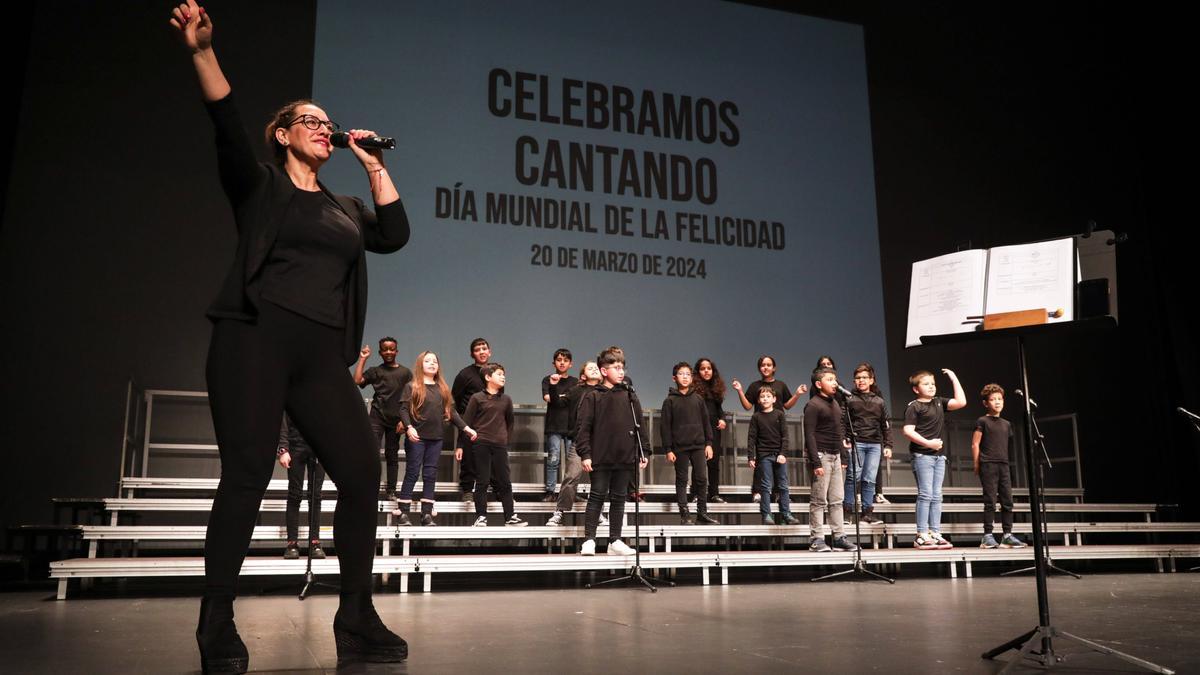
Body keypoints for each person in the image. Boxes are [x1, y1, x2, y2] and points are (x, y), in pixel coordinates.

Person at [171, 3, 410, 669]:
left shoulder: (344, 208)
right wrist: (200, 51)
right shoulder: (261, 187)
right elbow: (224, 122)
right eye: (310, 120)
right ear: (280, 135)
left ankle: (356, 615)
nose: (323, 128)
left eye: (328, 124)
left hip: (319, 354)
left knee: (362, 475)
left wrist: (370, 164)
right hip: (255, 338)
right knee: (247, 474)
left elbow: (393, 234)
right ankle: (216, 619)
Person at [576, 347, 647, 556]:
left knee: (619, 498)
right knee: (597, 495)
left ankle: (614, 540)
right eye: (616, 367)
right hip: (600, 455)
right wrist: (585, 453)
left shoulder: (629, 395)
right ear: (604, 371)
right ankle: (589, 539)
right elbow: (583, 427)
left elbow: (639, 423)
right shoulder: (593, 396)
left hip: (624, 455)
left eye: (622, 367)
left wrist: (645, 450)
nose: (621, 371)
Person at [397, 352, 476, 526]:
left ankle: (426, 514)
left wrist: (466, 428)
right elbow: (403, 409)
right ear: (420, 365)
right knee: (412, 471)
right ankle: (402, 512)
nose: (432, 364)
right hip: (417, 437)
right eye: (427, 361)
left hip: (436, 438)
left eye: (435, 361)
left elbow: (452, 412)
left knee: (430, 474)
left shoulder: (443, 389)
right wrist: (409, 427)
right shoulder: (412, 386)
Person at [902, 368, 966, 549]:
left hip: (938, 457)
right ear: (916, 389)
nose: (931, 387)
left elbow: (961, 402)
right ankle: (921, 534)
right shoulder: (914, 406)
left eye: (933, 383)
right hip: (922, 455)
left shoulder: (939, 402)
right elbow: (907, 431)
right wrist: (928, 444)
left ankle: (935, 532)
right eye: (926, 384)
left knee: (937, 495)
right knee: (926, 494)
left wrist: (954, 378)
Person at [460, 363, 527, 527]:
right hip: (481, 443)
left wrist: (505, 440)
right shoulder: (476, 398)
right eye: (499, 374)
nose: (503, 377)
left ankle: (510, 516)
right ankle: (481, 516)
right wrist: (460, 445)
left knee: (505, 481)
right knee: (482, 480)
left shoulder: (506, 399)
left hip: (500, 445)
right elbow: (466, 424)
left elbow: (510, 423)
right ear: (488, 377)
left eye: (504, 374)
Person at [354, 337, 413, 506]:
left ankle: (391, 491)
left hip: (396, 420)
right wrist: (363, 358)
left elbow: (411, 398)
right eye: (385, 349)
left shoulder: (405, 373)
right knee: (372, 452)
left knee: (391, 455)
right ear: (380, 352)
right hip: (377, 416)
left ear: (396, 351)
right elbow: (357, 381)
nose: (388, 352)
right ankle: (369, 488)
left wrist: (405, 420)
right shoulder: (375, 371)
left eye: (391, 349)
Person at [804, 368, 858, 552]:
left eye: (835, 379)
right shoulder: (813, 405)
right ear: (819, 384)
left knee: (836, 499)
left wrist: (843, 455)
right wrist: (816, 462)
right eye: (830, 379)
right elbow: (809, 435)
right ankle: (817, 539)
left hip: (835, 455)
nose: (835, 383)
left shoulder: (836, 404)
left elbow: (839, 432)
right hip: (821, 455)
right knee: (819, 500)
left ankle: (839, 536)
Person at [660, 362, 717, 525]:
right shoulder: (670, 401)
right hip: (680, 447)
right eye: (681, 374)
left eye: (688, 374)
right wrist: (668, 449)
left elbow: (706, 422)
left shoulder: (698, 399)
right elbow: (665, 426)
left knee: (701, 479)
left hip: (699, 445)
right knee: (682, 479)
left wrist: (708, 443)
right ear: (674, 378)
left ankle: (702, 513)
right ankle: (684, 513)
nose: (685, 377)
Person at [547, 361, 601, 526]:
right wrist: (553, 387)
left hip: (600, 442)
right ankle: (560, 512)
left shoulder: (604, 392)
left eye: (596, 368)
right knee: (571, 477)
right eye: (590, 368)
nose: (594, 369)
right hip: (580, 441)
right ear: (583, 375)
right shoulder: (576, 390)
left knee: (599, 481)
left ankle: (598, 514)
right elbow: (557, 403)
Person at [972, 384, 1026, 549]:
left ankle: (1007, 535)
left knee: (1007, 500)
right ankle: (987, 536)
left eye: (1000, 399)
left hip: (1003, 465)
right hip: (988, 464)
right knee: (990, 501)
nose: (997, 402)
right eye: (993, 399)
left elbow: (1006, 445)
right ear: (985, 403)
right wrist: (977, 464)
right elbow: (975, 443)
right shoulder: (982, 421)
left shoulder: (1006, 424)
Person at [844, 363, 893, 525]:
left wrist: (888, 445)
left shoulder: (879, 401)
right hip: (856, 443)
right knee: (852, 477)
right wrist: (846, 438)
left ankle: (867, 513)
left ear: (871, 380)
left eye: (864, 378)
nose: (861, 380)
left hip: (874, 445)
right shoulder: (850, 399)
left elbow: (885, 424)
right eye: (858, 378)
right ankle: (847, 514)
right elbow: (844, 421)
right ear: (854, 381)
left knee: (869, 479)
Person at [451, 338, 496, 502]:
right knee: (468, 457)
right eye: (478, 349)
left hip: (490, 422)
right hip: (469, 422)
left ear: (489, 352)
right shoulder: (465, 374)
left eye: (484, 348)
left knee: (489, 457)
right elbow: (454, 398)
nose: (482, 352)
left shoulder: (495, 372)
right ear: (472, 354)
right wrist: (461, 420)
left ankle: (488, 488)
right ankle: (468, 489)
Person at [747, 388, 800, 525]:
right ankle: (766, 514)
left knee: (783, 485)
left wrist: (783, 453)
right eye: (762, 396)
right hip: (764, 455)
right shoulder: (756, 417)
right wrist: (751, 457)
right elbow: (751, 438)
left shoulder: (779, 415)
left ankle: (786, 513)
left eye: (768, 396)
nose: (765, 398)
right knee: (765, 485)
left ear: (774, 399)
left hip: (779, 455)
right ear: (759, 400)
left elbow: (785, 437)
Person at [277, 413, 326, 560]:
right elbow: (284, 418)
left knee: (315, 495)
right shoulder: (293, 390)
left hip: (318, 446)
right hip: (295, 444)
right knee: (294, 494)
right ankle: (292, 543)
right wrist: (283, 449)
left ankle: (314, 542)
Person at [541, 349, 577, 501]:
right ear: (554, 363)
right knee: (553, 459)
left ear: (570, 364)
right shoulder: (547, 379)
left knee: (573, 463)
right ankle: (550, 491)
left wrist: (560, 397)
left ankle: (569, 492)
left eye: (565, 360)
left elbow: (573, 399)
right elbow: (548, 397)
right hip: (554, 425)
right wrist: (564, 397)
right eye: (559, 360)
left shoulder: (575, 382)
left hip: (571, 426)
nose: (562, 362)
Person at [693, 358, 728, 503]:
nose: (706, 371)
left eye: (709, 368)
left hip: (714, 429)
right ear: (698, 371)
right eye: (703, 368)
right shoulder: (693, 389)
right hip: (699, 428)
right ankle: (696, 494)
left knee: (714, 463)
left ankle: (714, 493)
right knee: (698, 462)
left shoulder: (716, 388)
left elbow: (719, 409)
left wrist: (722, 419)